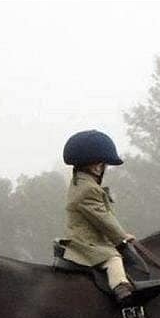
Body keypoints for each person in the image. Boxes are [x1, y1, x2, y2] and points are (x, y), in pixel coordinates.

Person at [61, 129, 139, 307]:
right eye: (104, 165)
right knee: (113, 259)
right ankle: (122, 289)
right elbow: (104, 219)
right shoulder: (88, 190)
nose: (105, 169)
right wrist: (122, 237)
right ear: (96, 166)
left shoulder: (80, 184)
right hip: (87, 242)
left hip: (86, 237)